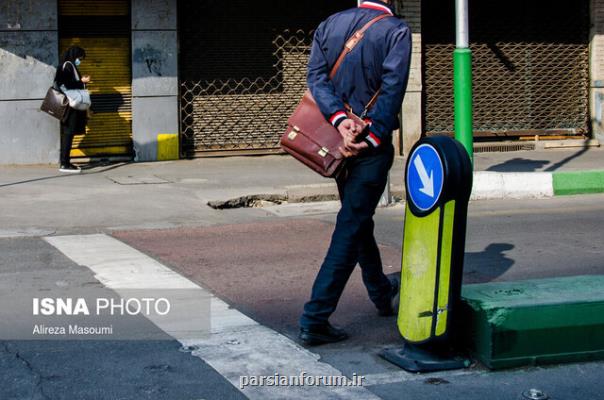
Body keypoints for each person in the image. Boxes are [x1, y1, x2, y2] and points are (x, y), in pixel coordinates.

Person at [299, 0, 412, 345]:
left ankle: (380, 292)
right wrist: (371, 133)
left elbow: (316, 79)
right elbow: (393, 89)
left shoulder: (330, 23)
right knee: (351, 225)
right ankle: (315, 318)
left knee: (357, 218)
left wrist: (340, 121)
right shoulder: (396, 31)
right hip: (368, 148)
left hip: (336, 141)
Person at [54, 46, 91, 173]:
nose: (80, 60)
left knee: (68, 134)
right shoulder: (67, 65)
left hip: (70, 105)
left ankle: (65, 162)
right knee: (68, 133)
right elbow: (63, 83)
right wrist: (82, 81)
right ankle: (65, 164)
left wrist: (81, 82)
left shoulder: (68, 65)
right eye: (80, 58)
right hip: (69, 106)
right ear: (75, 56)